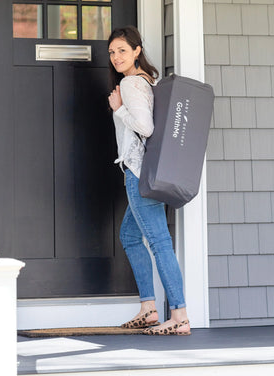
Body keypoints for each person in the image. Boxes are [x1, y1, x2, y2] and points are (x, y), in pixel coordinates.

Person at [107, 26, 190, 336]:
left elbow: (145, 126)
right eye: (112, 52)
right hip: (149, 174)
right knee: (130, 235)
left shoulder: (130, 84)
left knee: (158, 243)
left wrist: (119, 110)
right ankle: (149, 309)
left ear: (137, 51)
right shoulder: (147, 81)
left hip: (139, 175)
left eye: (122, 51)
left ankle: (179, 315)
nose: (116, 57)